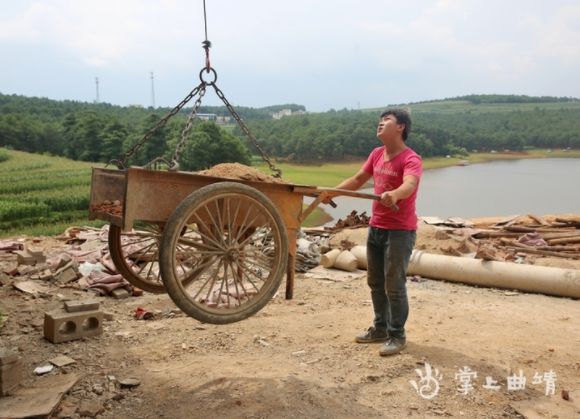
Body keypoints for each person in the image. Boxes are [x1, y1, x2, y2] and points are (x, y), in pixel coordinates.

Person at [335, 108, 422, 356]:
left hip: (400, 231)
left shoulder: (411, 159)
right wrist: (331, 193)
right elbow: (357, 179)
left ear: (400, 127)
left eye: (387, 120)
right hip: (376, 228)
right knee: (375, 282)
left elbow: (410, 184)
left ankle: (397, 335)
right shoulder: (376, 154)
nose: (380, 123)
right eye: (380, 120)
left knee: (394, 284)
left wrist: (394, 194)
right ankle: (380, 328)